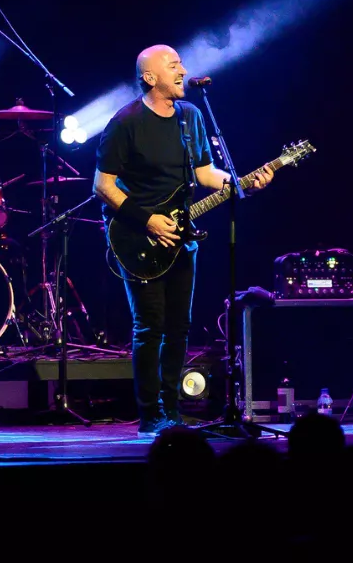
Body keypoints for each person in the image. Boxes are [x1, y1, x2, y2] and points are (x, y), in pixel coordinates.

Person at [94, 44, 274, 437]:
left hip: (182, 238)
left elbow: (206, 173)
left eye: (181, 63)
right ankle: (149, 415)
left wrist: (242, 184)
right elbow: (102, 185)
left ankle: (172, 412)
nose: (183, 70)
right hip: (138, 237)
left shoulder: (190, 116)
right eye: (173, 64)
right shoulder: (125, 122)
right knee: (149, 327)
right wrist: (148, 221)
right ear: (149, 77)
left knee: (179, 327)